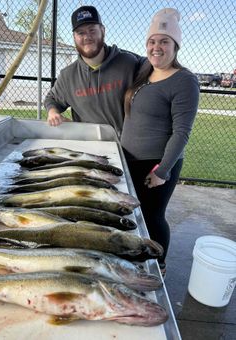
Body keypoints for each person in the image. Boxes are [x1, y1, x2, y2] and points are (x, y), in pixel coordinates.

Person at [120, 8, 199, 276]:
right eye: (152, 41)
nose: (157, 47)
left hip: (155, 166)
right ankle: (135, 258)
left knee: (153, 217)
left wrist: (162, 171)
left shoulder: (185, 81)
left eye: (164, 41)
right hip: (129, 158)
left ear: (176, 45)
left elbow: (182, 133)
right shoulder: (145, 70)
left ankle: (159, 265)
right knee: (133, 215)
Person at [44, 5, 144, 137]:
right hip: (90, 147)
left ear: (103, 30)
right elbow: (51, 99)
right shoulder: (68, 76)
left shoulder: (129, 62)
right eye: (81, 33)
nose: (87, 37)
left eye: (92, 30)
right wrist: (53, 112)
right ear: (74, 37)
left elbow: (157, 68)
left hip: (129, 147)